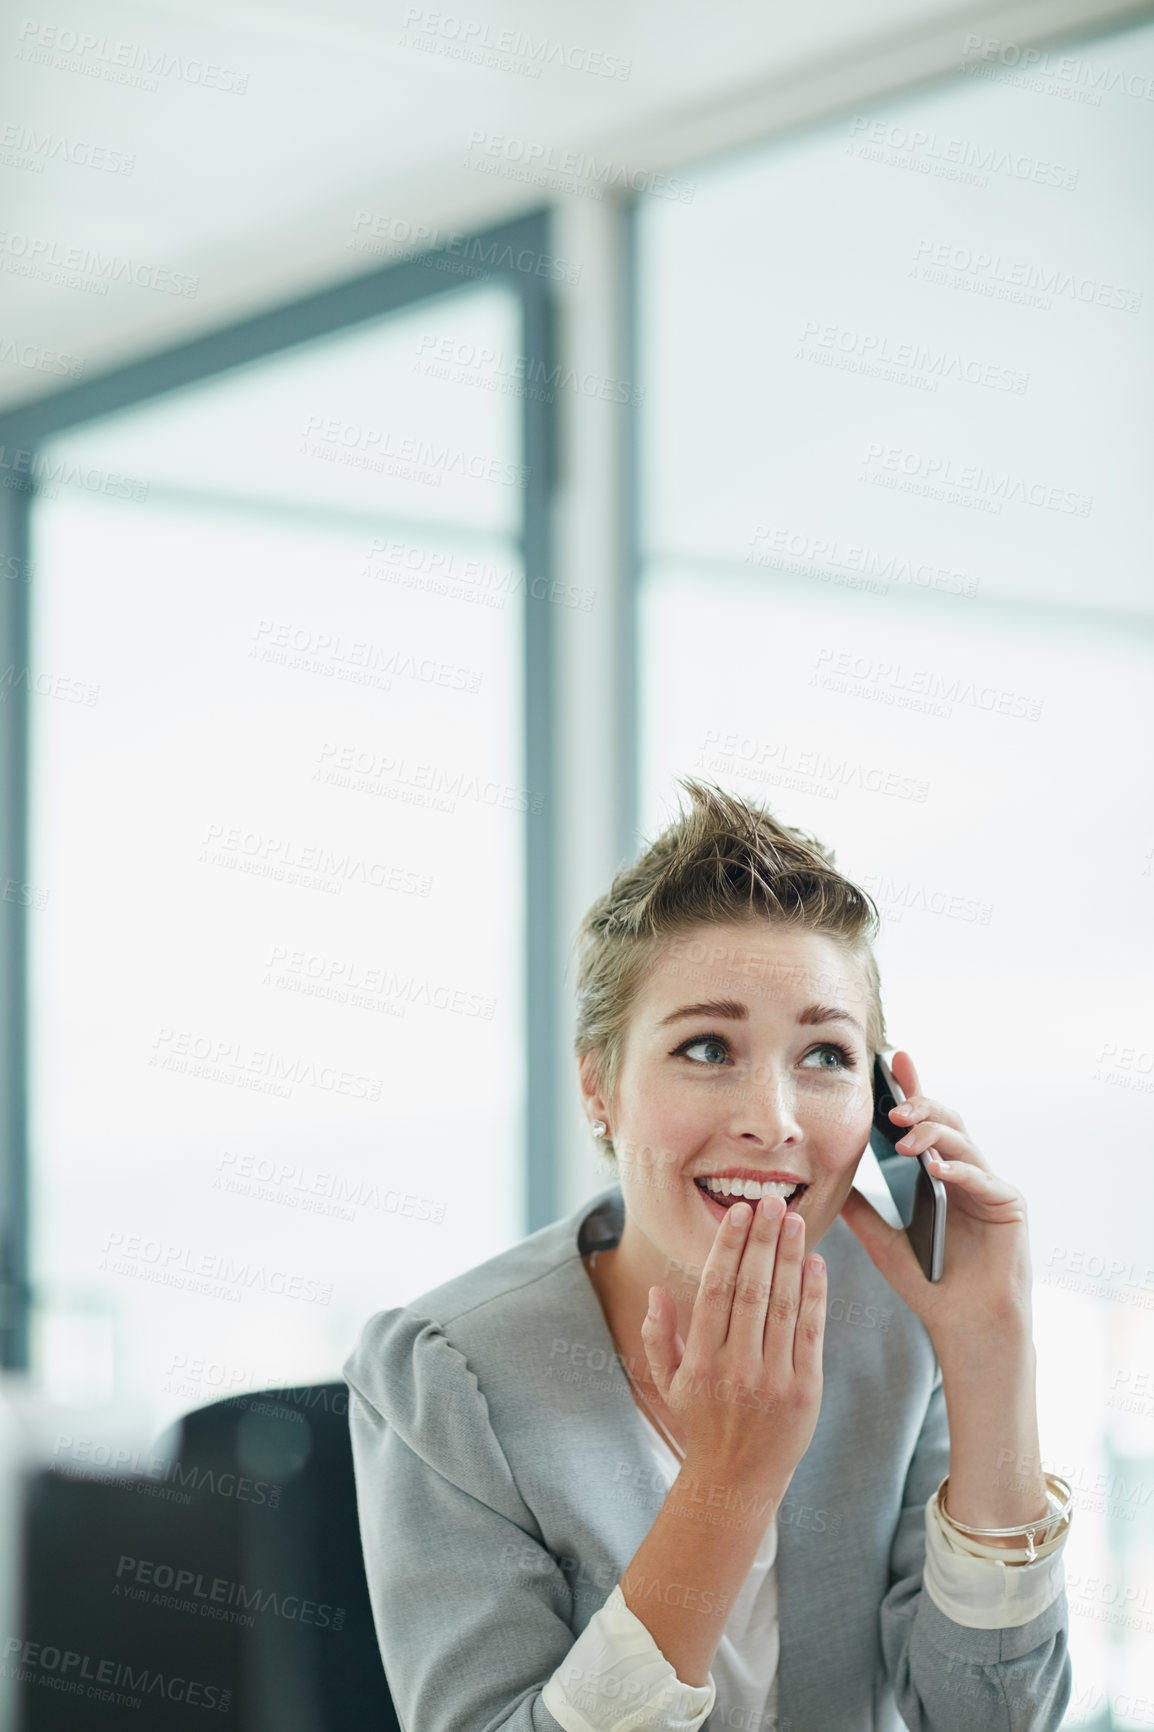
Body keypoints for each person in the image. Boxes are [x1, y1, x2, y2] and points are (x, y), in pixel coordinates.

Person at [343, 779, 1072, 1730]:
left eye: (824, 1057)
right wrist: (730, 1479)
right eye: (705, 1048)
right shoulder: (444, 1375)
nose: (772, 1122)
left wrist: (990, 1346)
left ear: (884, 1107)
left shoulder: (907, 1323)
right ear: (598, 1084)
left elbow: (993, 1720)